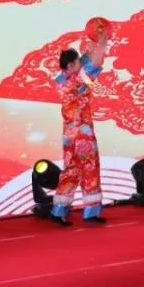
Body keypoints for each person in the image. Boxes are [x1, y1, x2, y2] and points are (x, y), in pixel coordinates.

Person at [51, 30, 110, 225]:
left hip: (69, 134)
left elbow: (85, 59)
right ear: (70, 66)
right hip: (83, 132)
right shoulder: (76, 81)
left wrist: (93, 45)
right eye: (77, 63)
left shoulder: (61, 80)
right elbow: (94, 65)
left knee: (71, 169)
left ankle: (59, 210)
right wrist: (102, 45)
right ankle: (91, 212)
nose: (80, 64)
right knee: (90, 167)